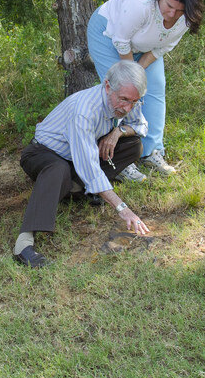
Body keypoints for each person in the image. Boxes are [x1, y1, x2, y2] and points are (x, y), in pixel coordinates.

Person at [13, 60, 152, 268]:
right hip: (44, 154)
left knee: (132, 144)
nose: (127, 107)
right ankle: (23, 243)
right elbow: (89, 167)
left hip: (77, 156)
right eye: (124, 100)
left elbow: (140, 126)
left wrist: (118, 131)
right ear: (107, 87)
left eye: (134, 102)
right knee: (58, 170)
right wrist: (122, 208)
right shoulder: (84, 110)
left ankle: (77, 188)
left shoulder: (127, 100)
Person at [86, 0, 204, 181]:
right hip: (109, 35)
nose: (172, 14)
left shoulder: (186, 16)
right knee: (120, 93)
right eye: (169, 6)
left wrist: (140, 71)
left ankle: (151, 151)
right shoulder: (139, 3)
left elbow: (163, 47)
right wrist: (132, 77)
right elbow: (121, 41)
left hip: (147, 46)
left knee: (155, 88)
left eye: (179, 10)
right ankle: (119, 161)